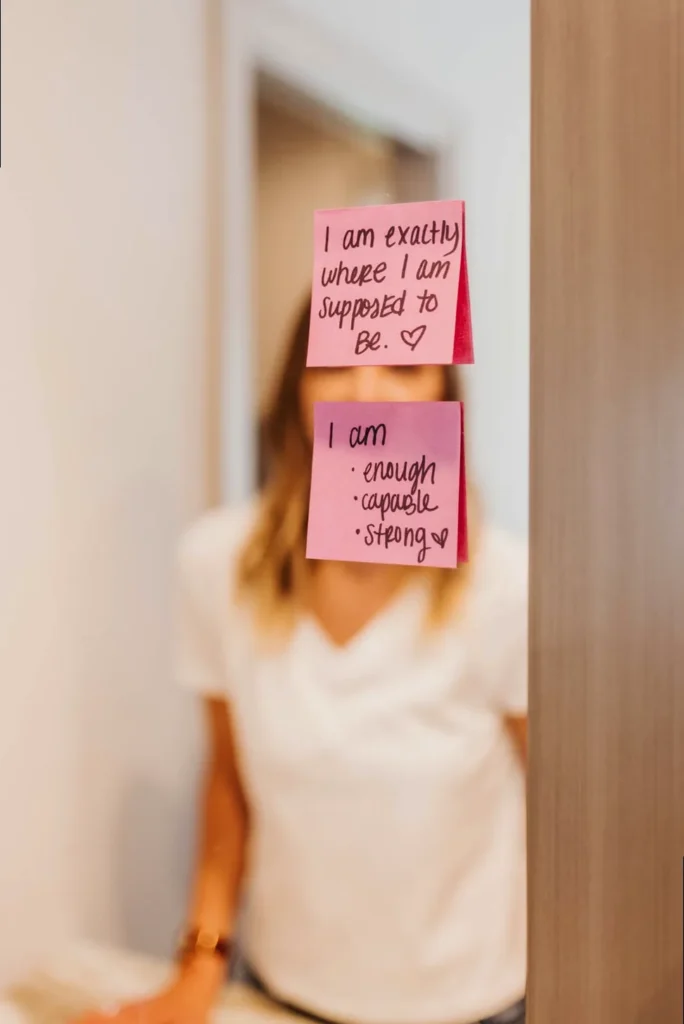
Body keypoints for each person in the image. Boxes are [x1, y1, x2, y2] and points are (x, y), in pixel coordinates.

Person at [83, 298, 528, 1024]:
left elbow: (567, 817)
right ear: (296, 390)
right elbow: (229, 781)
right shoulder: (218, 564)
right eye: (335, 363)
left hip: (476, 1008)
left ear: (446, 399)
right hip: (280, 998)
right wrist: (201, 965)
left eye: (404, 366)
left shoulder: (510, 589)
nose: (365, 393)